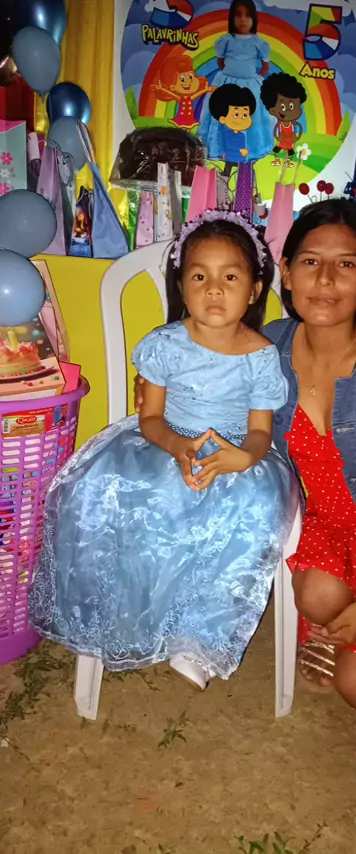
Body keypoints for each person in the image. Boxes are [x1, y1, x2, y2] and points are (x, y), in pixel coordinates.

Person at [134, 200, 356, 720]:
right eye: (311, 261)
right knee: (317, 596)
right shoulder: (262, 348)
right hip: (328, 524)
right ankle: (332, 623)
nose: (325, 279)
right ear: (287, 275)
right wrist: (154, 391)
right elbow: (193, 356)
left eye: (347, 264)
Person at [29, 212, 298, 691]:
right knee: (104, 491)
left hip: (235, 451)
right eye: (199, 277)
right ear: (182, 286)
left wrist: (244, 457)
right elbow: (150, 419)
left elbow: (260, 432)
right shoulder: (164, 344)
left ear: (255, 290)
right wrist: (177, 447)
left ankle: (199, 638)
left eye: (230, 277)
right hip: (164, 441)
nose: (214, 290)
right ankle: (119, 614)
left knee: (256, 503)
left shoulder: (260, 356)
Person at [198, 0, 273, 163]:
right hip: (226, 83)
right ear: (232, 18)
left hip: (250, 85)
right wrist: (229, 75)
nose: (243, 19)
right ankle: (221, 150)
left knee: (250, 117)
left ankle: (248, 151)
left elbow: (265, 67)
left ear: (254, 19)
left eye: (247, 15)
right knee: (224, 115)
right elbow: (221, 62)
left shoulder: (258, 43)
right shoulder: (226, 40)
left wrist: (254, 79)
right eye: (238, 15)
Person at [149, 55, 214, 131]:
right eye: (182, 79)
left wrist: (206, 90)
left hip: (189, 118)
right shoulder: (181, 99)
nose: (188, 82)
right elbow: (172, 94)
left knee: (188, 129)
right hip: (182, 118)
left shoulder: (189, 99)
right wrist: (162, 89)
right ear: (172, 87)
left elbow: (197, 94)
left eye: (191, 77)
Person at [208, 83, 256, 177]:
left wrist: (245, 151)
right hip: (230, 156)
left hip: (240, 157)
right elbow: (224, 144)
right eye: (236, 114)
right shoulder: (226, 134)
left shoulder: (242, 135)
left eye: (245, 115)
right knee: (228, 167)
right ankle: (226, 175)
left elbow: (243, 145)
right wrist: (224, 153)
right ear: (223, 118)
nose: (241, 118)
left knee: (242, 169)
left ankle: (243, 175)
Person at [260, 72, 307, 167]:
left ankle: (288, 162)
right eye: (283, 107)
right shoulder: (279, 123)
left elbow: (299, 127)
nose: (288, 110)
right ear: (272, 110)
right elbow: (275, 130)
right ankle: (277, 160)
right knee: (276, 151)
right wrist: (278, 138)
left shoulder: (293, 123)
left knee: (291, 153)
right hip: (281, 140)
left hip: (290, 141)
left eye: (292, 106)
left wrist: (297, 137)